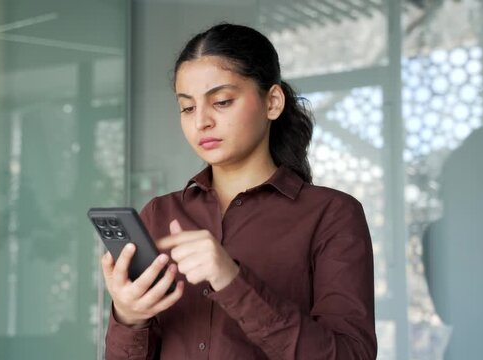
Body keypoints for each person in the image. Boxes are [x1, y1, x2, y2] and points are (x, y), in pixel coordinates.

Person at [100, 23, 377, 359]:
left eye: (222, 101)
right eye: (187, 107)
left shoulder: (332, 214)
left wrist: (232, 280)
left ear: (273, 102)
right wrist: (129, 317)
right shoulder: (160, 214)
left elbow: (351, 355)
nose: (201, 121)